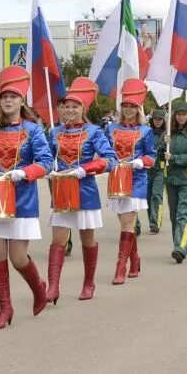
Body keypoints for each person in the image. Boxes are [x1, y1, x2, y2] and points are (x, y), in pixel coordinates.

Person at [0, 67, 54, 329]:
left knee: (18, 258)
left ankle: (38, 288)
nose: (8, 101)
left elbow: (45, 162)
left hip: (23, 199)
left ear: (22, 101)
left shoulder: (33, 130)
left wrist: (24, 173)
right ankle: (5, 308)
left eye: (14, 97)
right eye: (4, 97)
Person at [46, 78, 118, 303]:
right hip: (60, 189)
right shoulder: (54, 132)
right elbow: (44, 157)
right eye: (66, 106)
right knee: (57, 239)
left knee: (87, 239)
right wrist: (47, 168)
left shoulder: (94, 131)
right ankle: (53, 286)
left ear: (83, 109)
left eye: (74, 106)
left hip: (85, 190)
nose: (69, 110)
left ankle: (89, 282)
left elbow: (111, 159)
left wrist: (85, 169)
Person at [106, 79, 155, 283]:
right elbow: (105, 152)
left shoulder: (146, 131)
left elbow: (152, 157)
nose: (128, 110)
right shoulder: (111, 129)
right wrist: (109, 162)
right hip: (116, 179)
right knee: (125, 223)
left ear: (138, 109)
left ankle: (120, 267)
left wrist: (140, 162)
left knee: (127, 224)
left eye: (132, 107)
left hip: (136, 180)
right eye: (125, 106)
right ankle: (135, 259)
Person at [162, 102, 187, 263]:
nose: (181, 117)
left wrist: (174, 158)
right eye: (178, 114)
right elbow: (160, 154)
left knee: (184, 213)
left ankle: (180, 246)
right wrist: (162, 145)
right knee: (174, 215)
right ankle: (178, 245)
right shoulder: (168, 134)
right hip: (170, 178)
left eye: (184, 114)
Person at [145, 109, 168, 235]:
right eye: (155, 119)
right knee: (148, 197)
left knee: (156, 195)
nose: (158, 122)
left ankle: (155, 223)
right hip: (148, 169)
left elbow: (169, 152)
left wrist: (167, 145)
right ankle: (151, 220)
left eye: (160, 119)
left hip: (160, 168)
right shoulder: (147, 133)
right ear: (152, 120)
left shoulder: (167, 134)